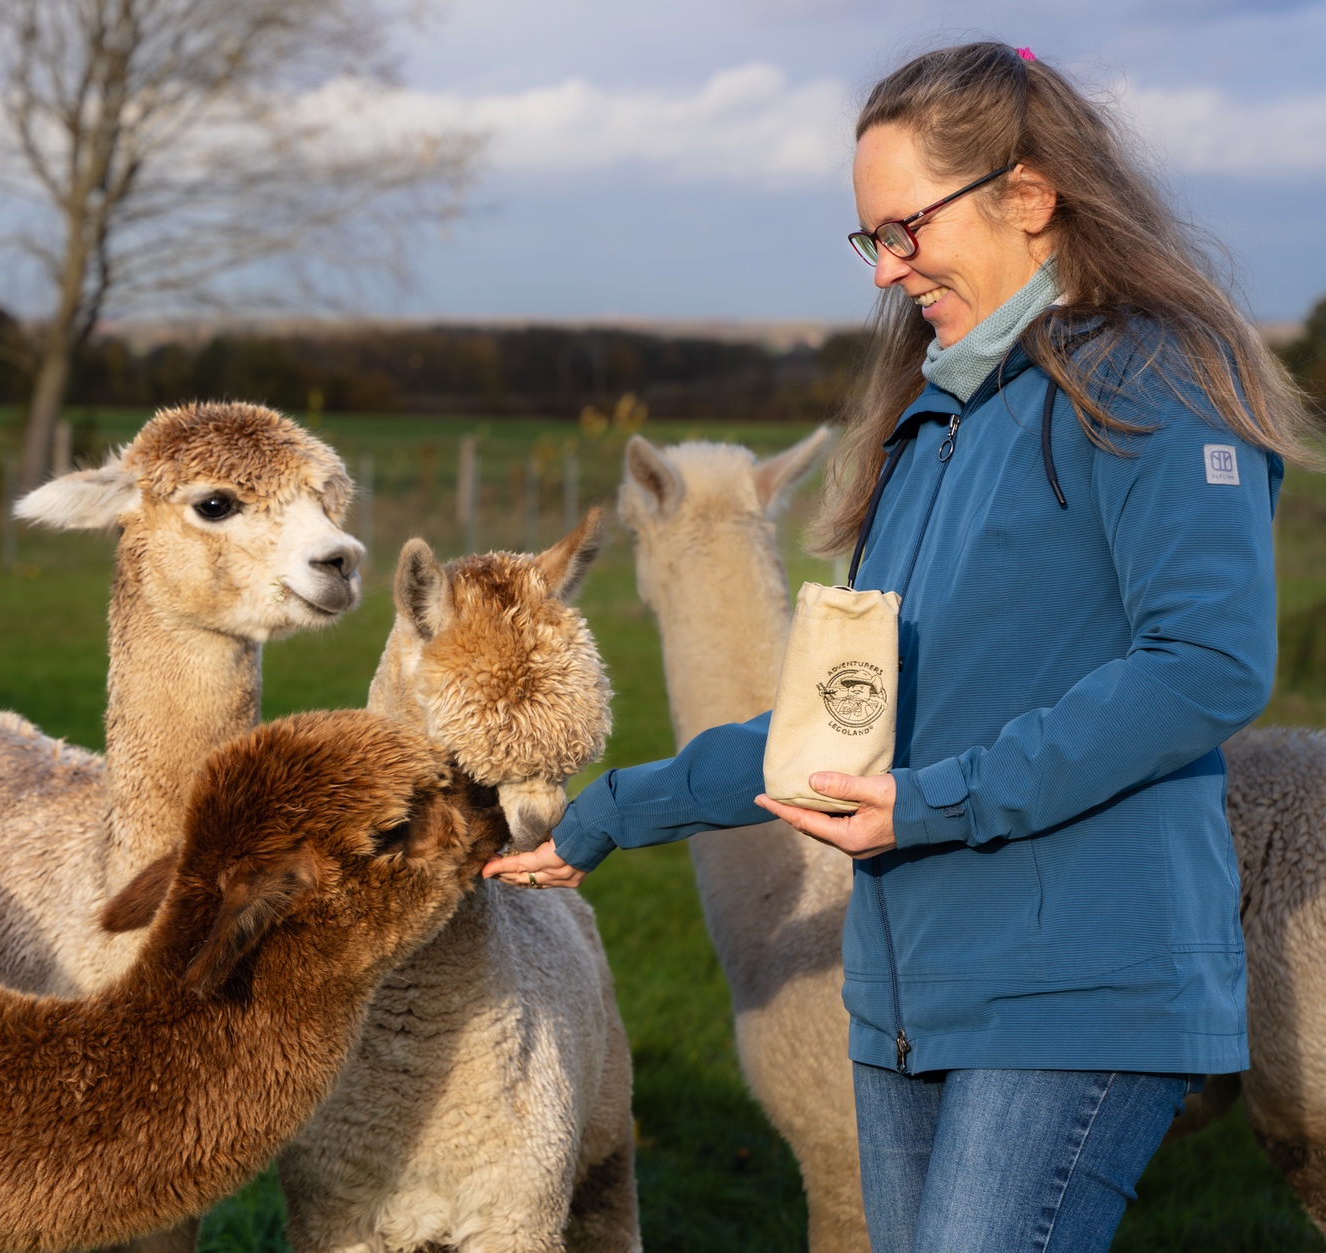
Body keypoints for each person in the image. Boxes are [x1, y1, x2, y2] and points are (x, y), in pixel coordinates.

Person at [484, 41, 1316, 1253]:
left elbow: (1204, 661)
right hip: (905, 998)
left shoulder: (1152, 379)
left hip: (1073, 985)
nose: (887, 268)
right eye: (868, 239)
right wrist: (607, 812)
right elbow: (839, 723)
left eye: (905, 227)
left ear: (1027, 195)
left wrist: (932, 801)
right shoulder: (927, 428)